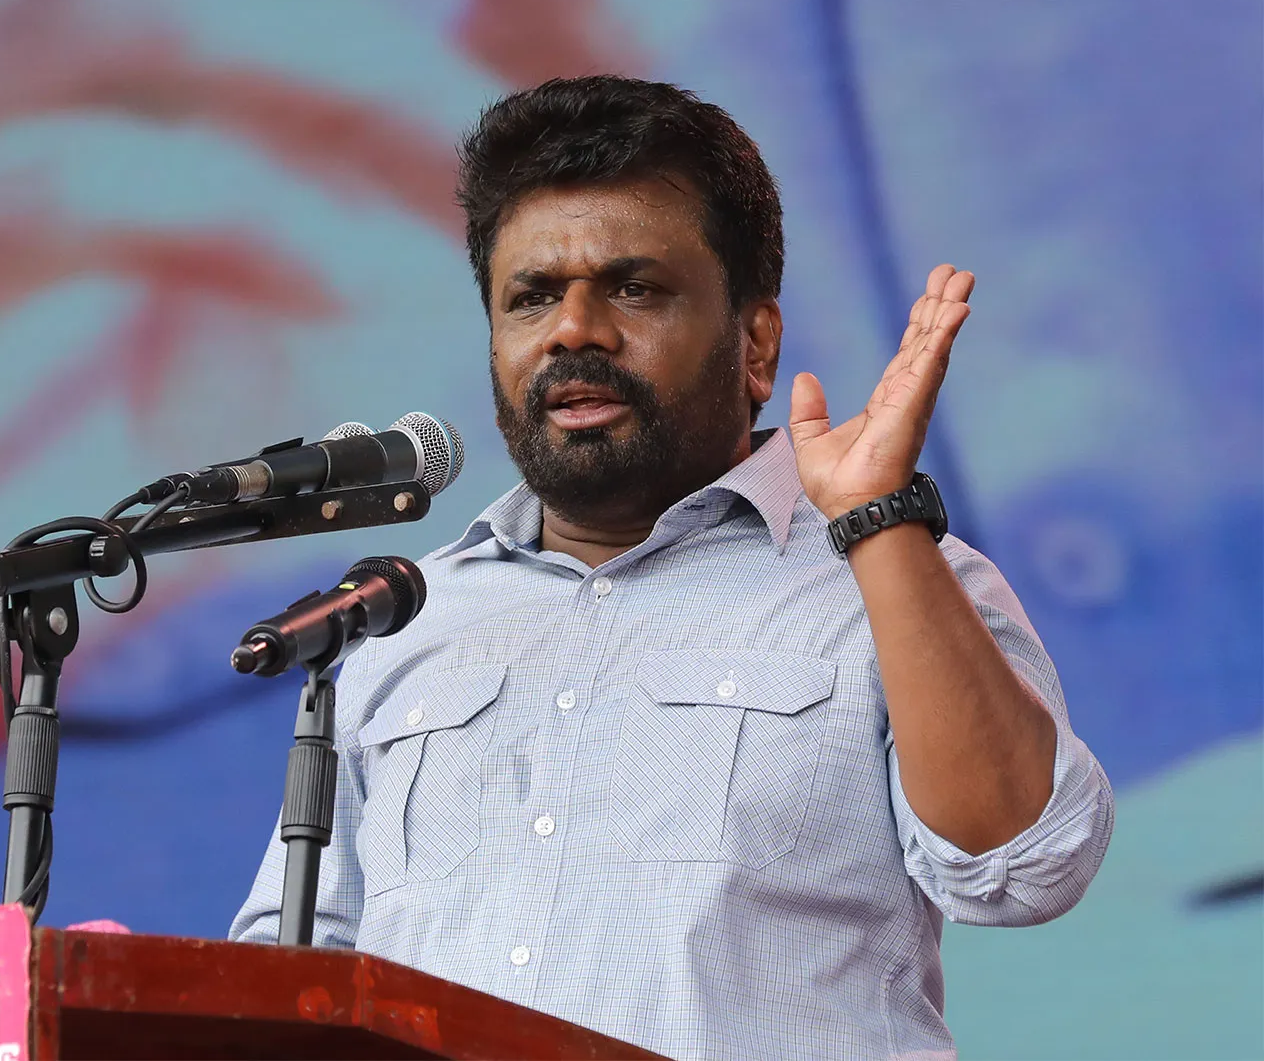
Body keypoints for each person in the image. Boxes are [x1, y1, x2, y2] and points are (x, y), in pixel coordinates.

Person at [231, 76, 1113, 1060]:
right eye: (531, 297)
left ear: (755, 342)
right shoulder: (406, 618)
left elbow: (1024, 864)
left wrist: (878, 519)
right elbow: (290, 976)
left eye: (634, 287)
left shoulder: (888, 574)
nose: (573, 329)